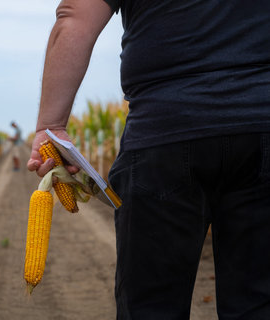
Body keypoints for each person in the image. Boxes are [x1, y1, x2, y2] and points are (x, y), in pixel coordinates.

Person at [27, 0, 270, 319]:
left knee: (151, 307)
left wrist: (50, 125)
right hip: (261, 123)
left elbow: (75, 18)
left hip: (164, 134)